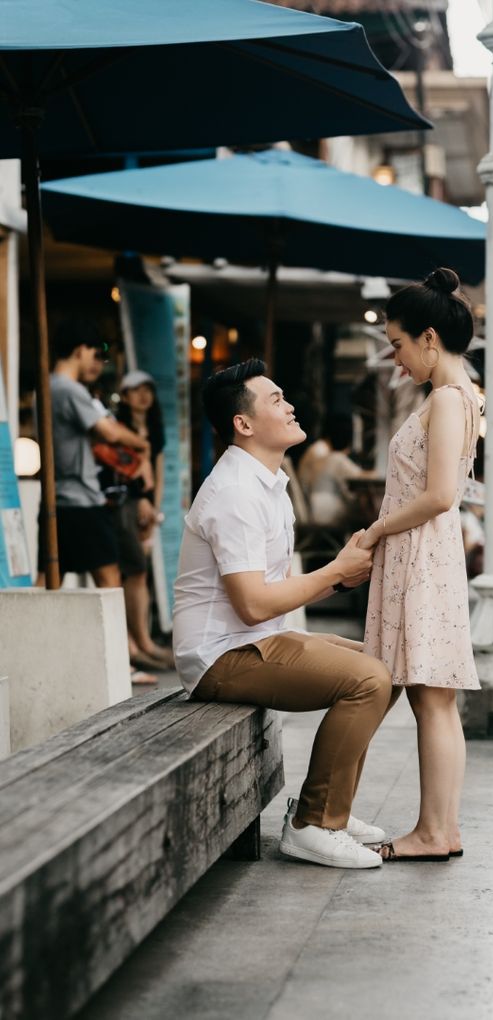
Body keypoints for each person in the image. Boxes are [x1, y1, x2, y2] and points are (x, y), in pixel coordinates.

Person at [172, 359, 392, 869]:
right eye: (274, 399)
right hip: (220, 656)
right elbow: (251, 605)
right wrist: (335, 572)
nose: (290, 405)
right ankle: (314, 824)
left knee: (388, 663)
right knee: (369, 679)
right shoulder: (233, 492)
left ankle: (333, 806)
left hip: (256, 640)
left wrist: (342, 568)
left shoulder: (267, 482)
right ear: (243, 424)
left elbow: (266, 598)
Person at [359, 267, 481, 863]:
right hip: (428, 555)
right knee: (434, 699)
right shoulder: (458, 396)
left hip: (422, 557)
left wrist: (377, 529)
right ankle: (441, 829)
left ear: (429, 338)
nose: (396, 359)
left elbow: (438, 496)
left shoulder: (448, 399)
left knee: (431, 699)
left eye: (399, 345)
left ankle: (435, 832)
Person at [37, 318, 150, 589]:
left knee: (48, 580)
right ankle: (112, 634)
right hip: (80, 499)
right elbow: (109, 432)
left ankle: (25, 632)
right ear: (81, 350)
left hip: (55, 498)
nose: (95, 362)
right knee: (109, 578)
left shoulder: (46, 387)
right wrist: (141, 444)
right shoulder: (69, 389)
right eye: (94, 353)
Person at [111, 370, 172, 669]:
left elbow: (158, 475)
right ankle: (136, 643)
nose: (143, 395)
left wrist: (154, 510)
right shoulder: (115, 428)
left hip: (147, 511)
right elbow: (123, 471)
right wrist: (141, 502)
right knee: (131, 570)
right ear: (124, 395)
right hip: (124, 506)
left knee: (139, 572)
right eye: (135, 390)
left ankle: (141, 640)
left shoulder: (154, 429)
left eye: (147, 389)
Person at [308, 413, 372, 528]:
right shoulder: (334, 457)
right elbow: (360, 476)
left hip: (311, 506)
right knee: (363, 507)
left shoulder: (319, 451)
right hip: (326, 508)